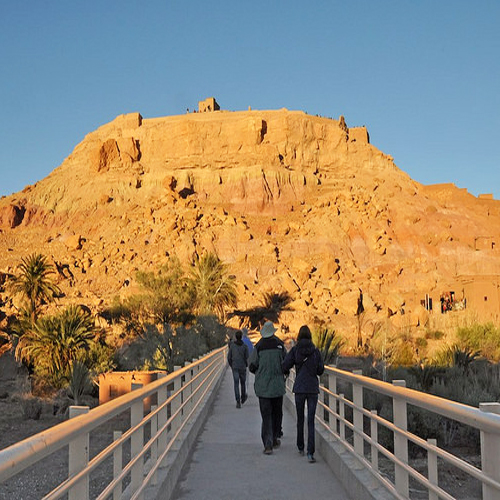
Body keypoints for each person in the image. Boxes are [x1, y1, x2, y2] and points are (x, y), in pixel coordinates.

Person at [282, 325, 324, 463]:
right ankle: (310, 452)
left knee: (300, 418)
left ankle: (300, 445)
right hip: (312, 389)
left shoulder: (295, 350)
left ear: (299, 336)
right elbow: (320, 370)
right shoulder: (316, 351)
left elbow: (285, 365)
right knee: (310, 420)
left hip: (299, 388)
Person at [249, 321, 286, 455]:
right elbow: (286, 363)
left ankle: (268, 444)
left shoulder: (259, 346)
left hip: (263, 387)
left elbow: (252, 365)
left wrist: (260, 373)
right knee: (277, 413)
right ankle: (275, 437)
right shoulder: (280, 345)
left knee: (266, 416)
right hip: (277, 386)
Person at [228, 330, 249, 408]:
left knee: (236, 384)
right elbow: (247, 357)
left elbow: (229, 357)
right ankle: (243, 397)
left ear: (236, 337)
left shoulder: (232, 346)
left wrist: (231, 365)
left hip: (235, 367)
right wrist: (246, 364)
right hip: (242, 367)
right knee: (243, 383)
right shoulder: (244, 346)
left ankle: (238, 401)